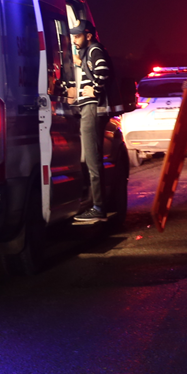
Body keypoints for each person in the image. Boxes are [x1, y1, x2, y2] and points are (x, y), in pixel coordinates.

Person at [69, 20, 114, 224]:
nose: (74, 40)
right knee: (91, 158)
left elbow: (103, 71)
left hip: (92, 108)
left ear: (88, 36)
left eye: (78, 36)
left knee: (93, 160)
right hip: (89, 108)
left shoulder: (95, 49)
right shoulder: (90, 52)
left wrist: (94, 89)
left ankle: (98, 207)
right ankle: (96, 204)